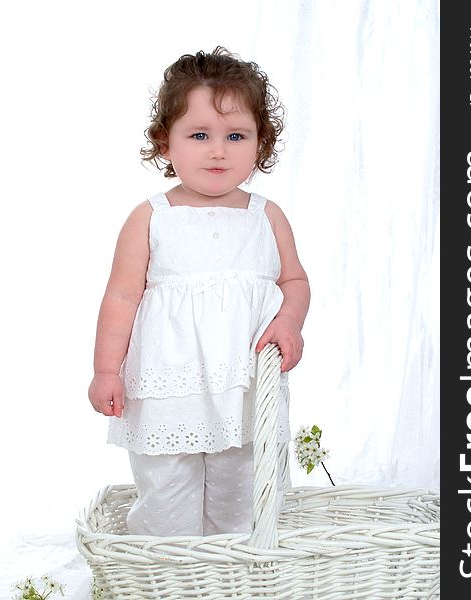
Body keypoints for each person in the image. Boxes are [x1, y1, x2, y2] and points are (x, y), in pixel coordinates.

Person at [88, 47, 310, 537]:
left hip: (244, 389)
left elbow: (293, 279)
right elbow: (121, 299)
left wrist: (289, 321)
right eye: (199, 135)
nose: (218, 150)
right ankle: (166, 575)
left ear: (260, 144)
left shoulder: (265, 217)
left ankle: (230, 579)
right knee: (166, 500)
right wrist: (106, 371)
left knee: (244, 501)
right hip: (168, 389)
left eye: (236, 136)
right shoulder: (151, 217)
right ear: (166, 143)